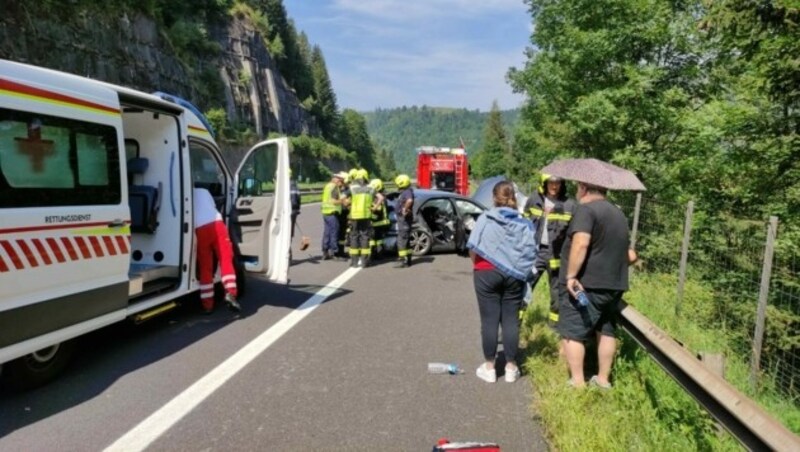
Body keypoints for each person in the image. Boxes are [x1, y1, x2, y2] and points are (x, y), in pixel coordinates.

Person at [558, 182, 638, 389]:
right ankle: (602, 380)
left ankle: (577, 382)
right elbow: (630, 254)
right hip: (614, 286)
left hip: (588, 285)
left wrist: (571, 276)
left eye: (578, 188)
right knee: (606, 330)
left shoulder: (586, 210)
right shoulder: (618, 215)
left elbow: (581, 243)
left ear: (584, 188)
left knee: (572, 331)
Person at [467, 180, 538, 383]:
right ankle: (511, 367)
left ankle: (489, 367)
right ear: (514, 199)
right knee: (510, 320)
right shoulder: (524, 223)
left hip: (485, 272)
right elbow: (530, 252)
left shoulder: (485, 218)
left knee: (489, 320)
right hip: (514, 276)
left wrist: (479, 265)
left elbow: (473, 245)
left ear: (493, 198)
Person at [523, 174, 575, 324]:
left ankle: (554, 328)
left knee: (557, 293)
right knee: (525, 287)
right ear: (544, 183)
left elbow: (573, 234)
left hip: (557, 255)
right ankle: (514, 325)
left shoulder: (569, 205)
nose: (554, 186)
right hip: (535, 253)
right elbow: (523, 224)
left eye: (558, 182)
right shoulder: (534, 200)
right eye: (551, 182)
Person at [194, 187, 241, 313]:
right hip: (216, 224)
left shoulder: (184, 194)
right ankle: (230, 293)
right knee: (225, 259)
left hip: (199, 229)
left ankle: (207, 305)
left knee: (205, 267)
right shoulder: (204, 191)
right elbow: (213, 206)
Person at [347, 169, 375, 267]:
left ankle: (354, 262)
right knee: (365, 237)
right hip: (366, 216)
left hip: (354, 216)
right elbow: (379, 198)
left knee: (354, 236)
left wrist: (349, 206)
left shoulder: (352, 188)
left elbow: (343, 199)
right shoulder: (371, 188)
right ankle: (365, 262)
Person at [321, 172, 347, 260]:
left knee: (327, 233)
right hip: (332, 212)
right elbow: (333, 201)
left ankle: (325, 252)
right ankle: (334, 253)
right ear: (338, 179)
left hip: (325, 212)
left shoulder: (328, 186)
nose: (342, 184)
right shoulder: (334, 187)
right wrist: (342, 201)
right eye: (342, 181)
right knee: (334, 232)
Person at [394, 174, 414, 268]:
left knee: (402, 240)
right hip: (404, 220)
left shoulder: (407, 192)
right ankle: (408, 260)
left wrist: (404, 209)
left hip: (404, 220)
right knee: (406, 240)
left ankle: (402, 260)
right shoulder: (406, 191)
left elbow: (409, 201)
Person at [369, 178, 389, 257]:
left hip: (378, 222)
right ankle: (379, 253)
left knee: (373, 239)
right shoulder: (383, 196)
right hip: (383, 221)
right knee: (379, 239)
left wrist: (370, 209)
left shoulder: (377, 198)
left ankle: (374, 253)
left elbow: (378, 209)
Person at [289, 169, 301, 239]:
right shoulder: (295, 185)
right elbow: (298, 197)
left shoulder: (282, 185)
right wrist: (297, 209)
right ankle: (289, 245)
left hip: (287, 210)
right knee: (290, 228)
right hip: (294, 209)